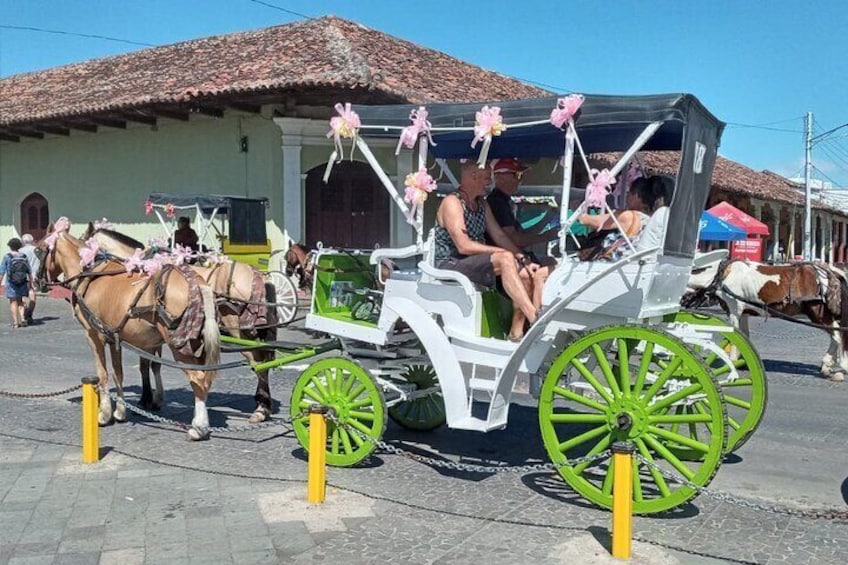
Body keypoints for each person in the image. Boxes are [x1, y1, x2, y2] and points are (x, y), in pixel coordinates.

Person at [434, 160, 541, 341]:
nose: (490, 183)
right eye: (486, 178)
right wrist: (502, 254)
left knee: (524, 273)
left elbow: (499, 236)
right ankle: (535, 317)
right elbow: (463, 245)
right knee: (505, 258)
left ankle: (517, 332)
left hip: (472, 262)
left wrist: (523, 259)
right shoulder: (452, 202)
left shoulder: (482, 204)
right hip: (450, 263)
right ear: (473, 177)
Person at [578, 175, 672, 261]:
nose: (627, 197)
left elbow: (593, 222)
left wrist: (579, 213)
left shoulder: (629, 216)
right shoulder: (651, 220)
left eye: (629, 193)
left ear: (637, 196)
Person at [487, 158, 558, 260]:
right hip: (504, 258)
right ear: (499, 177)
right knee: (551, 263)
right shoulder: (497, 203)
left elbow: (522, 235)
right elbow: (515, 240)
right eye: (517, 175)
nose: (521, 180)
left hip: (509, 256)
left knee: (549, 261)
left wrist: (547, 218)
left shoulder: (504, 201)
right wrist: (546, 237)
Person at [0, 238, 32, 328]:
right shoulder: (24, 256)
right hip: (22, 281)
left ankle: (15, 323)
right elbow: (29, 271)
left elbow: (2, 271)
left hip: (11, 283)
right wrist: (31, 283)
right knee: (20, 300)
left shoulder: (7, 257)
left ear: (10, 246)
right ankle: (22, 318)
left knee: (13, 301)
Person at [19, 234, 40, 324]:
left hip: (23, 275)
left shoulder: (20, 251)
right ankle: (30, 312)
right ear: (32, 240)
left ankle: (24, 314)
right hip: (34, 275)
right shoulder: (37, 250)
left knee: (22, 295)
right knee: (32, 293)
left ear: (23, 241)